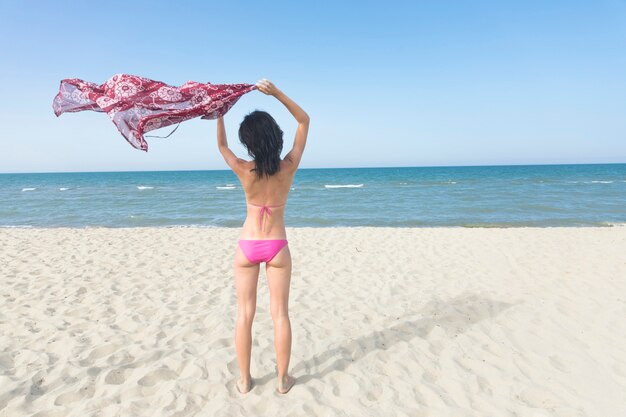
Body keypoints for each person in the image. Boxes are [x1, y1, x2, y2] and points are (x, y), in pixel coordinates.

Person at [216, 79, 310, 394]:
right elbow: (304, 120)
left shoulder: (244, 169)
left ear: (249, 142)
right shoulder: (289, 166)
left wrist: (219, 114)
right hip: (277, 247)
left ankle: (244, 381)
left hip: (247, 245)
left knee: (244, 314)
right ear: (276, 137)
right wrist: (278, 93)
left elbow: (222, 148)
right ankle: (283, 380)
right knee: (280, 314)